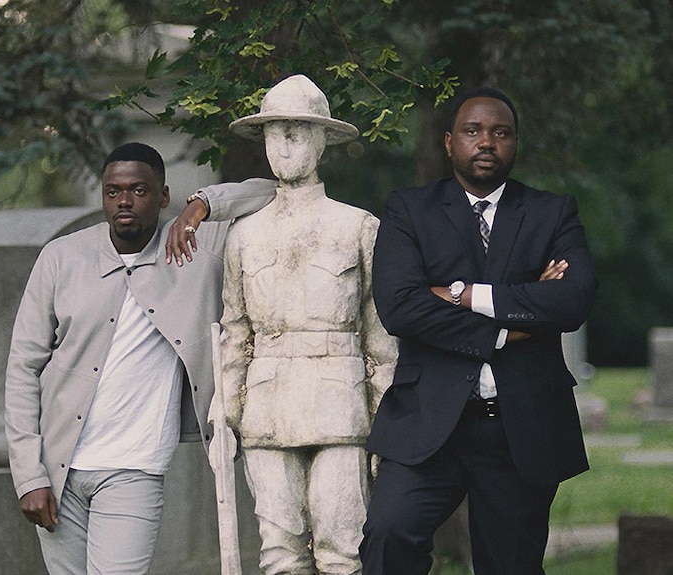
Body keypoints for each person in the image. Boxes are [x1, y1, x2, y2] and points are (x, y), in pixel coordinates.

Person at [4, 142, 274, 575]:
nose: (124, 201)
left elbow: (270, 192)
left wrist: (201, 205)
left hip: (134, 468)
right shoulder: (61, 258)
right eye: (113, 192)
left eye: (138, 190)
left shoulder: (197, 249)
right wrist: (29, 476)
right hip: (58, 472)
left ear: (162, 196)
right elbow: (22, 370)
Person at [359, 87, 597, 574]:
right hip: (428, 422)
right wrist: (508, 327)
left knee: (510, 565)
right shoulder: (409, 210)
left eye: (500, 133)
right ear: (449, 143)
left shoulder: (552, 213)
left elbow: (571, 301)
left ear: (514, 144)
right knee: (388, 536)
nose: (486, 142)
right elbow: (401, 307)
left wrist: (461, 294)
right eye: (473, 131)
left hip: (519, 426)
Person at [217, 74, 397, 575]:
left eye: (299, 129)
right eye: (276, 131)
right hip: (267, 406)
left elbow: (380, 335)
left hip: (340, 405)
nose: (287, 142)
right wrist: (227, 410)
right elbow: (235, 330)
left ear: (323, 140)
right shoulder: (244, 237)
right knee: (279, 553)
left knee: (342, 548)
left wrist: (386, 417)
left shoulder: (358, 227)